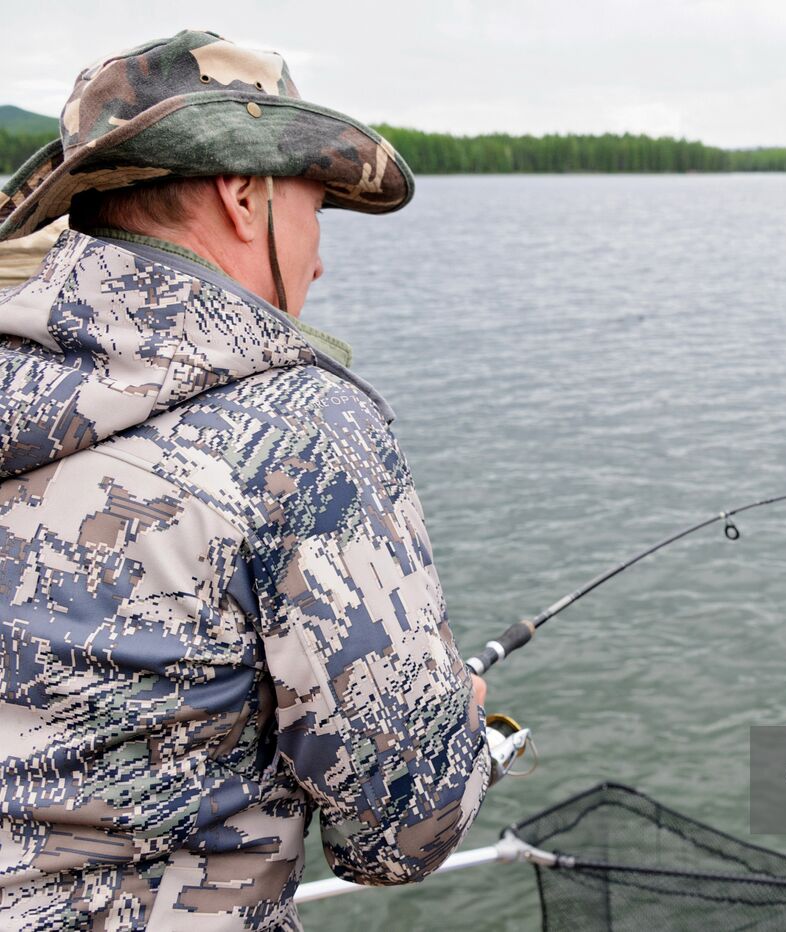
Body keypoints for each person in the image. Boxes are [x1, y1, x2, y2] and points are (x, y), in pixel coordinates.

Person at [0, 30, 491, 930]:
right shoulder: (303, 428)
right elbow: (403, 828)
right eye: (312, 209)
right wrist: (454, 716)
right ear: (244, 195)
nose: (318, 258)